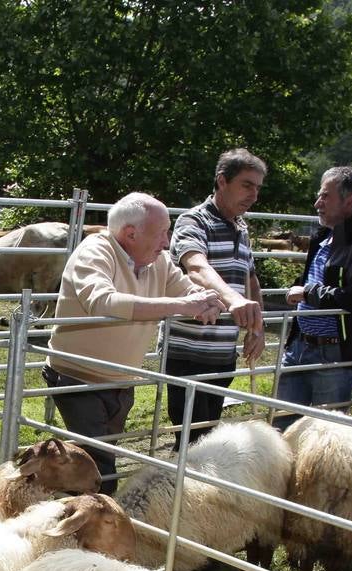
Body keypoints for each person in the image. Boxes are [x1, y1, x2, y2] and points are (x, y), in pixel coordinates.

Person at [43, 193, 226, 491]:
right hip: (76, 377)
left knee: (98, 457)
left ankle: (74, 515)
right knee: (98, 467)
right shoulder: (95, 251)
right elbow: (103, 302)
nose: (167, 242)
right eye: (162, 232)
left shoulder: (159, 262)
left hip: (119, 381)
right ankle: (92, 522)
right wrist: (183, 306)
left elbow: (188, 290)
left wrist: (207, 301)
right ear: (130, 233)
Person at [275, 166, 352, 429]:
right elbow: (315, 279)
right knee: (282, 427)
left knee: (324, 435)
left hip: (335, 355)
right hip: (299, 348)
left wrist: (307, 293)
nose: (318, 203)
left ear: (349, 201)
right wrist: (301, 289)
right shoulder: (324, 235)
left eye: (325, 196)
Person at [166, 148, 267, 448]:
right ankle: (184, 491)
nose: (254, 196)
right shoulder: (193, 221)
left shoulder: (241, 228)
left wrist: (257, 327)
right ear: (222, 181)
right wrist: (233, 300)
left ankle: (193, 491)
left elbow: (251, 280)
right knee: (193, 439)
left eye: (258, 188)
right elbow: (196, 266)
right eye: (247, 185)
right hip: (188, 352)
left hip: (223, 353)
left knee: (208, 434)